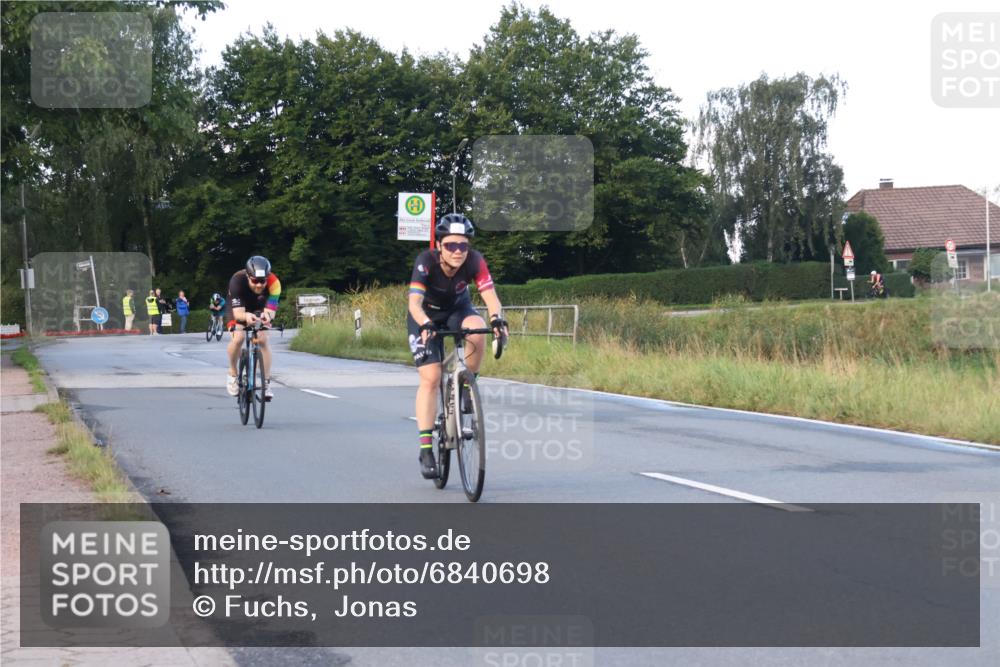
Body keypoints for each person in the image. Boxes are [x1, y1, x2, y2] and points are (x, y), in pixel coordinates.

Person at [407, 213, 508, 479]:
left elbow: (490, 297)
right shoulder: (425, 262)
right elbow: (414, 304)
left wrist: (497, 318)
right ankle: (426, 449)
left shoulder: (475, 261)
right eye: (451, 245)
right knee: (431, 377)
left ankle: (467, 385)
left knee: (477, 328)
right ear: (439, 246)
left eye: (463, 245)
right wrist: (426, 324)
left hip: (457, 309)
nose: (458, 251)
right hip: (425, 316)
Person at [225, 256, 281, 399]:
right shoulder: (237, 281)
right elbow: (238, 314)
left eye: (262, 281)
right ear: (248, 276)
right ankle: (232, 373)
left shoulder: (274, 284)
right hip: (239, 306)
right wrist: (246, 317)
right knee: (239, 337)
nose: (259, 285)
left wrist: (266, 317)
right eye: (255, 280)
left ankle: (266, 383)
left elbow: (270, 312)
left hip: (260, 305)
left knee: (262, 339)